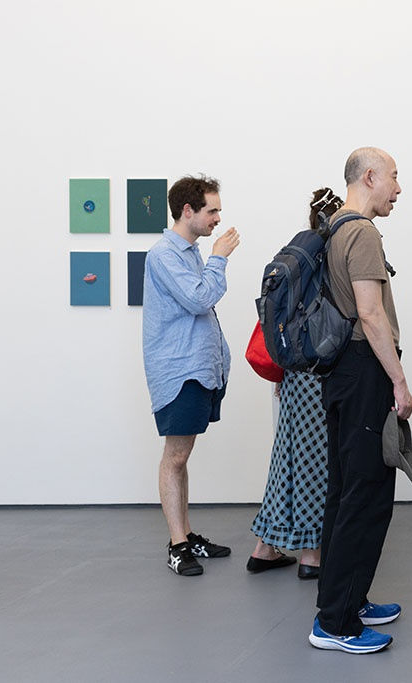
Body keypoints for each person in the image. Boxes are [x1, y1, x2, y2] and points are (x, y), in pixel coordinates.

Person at [308, 148, 412, 655]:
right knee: (367, 495)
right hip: (365, 371)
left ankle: (344, 599)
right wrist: (399, 381)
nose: (398, 187)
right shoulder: (363, 232)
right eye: (393, 177)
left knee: (345, 490)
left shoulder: (335, 228)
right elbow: (371, 316)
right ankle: (337, 623)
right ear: (370, 177)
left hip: (341, 375)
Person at [142, 175, 240, 576]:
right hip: (178, 371)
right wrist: (220, 257)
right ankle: (177, 545)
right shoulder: (164, 254)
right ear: (188, 211)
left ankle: (184, 535)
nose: (218, 218)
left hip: (198, 370)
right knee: (175, 456)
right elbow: (200, 298)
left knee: (183, 457)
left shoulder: (189, 252)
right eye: (212, 210)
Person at [248, 188, 345, 579]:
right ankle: (311, 554)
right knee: (317, 462)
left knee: (286, 458)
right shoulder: (330, 258)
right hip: (321, 372)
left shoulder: (296, 255)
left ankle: (264, 547)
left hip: (293, 372)